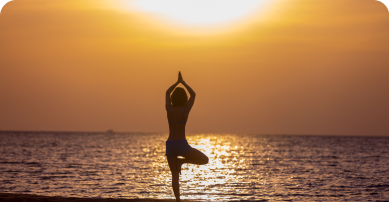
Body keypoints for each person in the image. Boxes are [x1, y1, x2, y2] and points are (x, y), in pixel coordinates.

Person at [165, 72, 209, 202]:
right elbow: (194, 95)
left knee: (174, 175)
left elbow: (167, 92)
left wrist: (176, 83)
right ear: (184, 98)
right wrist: (183, 82)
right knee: (205, 160)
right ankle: (182, 161)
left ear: (173, 98)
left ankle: (178, 200)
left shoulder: (169, 109)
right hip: (181, 144)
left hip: (170, 144)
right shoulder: (185, 110)